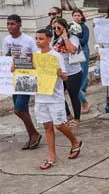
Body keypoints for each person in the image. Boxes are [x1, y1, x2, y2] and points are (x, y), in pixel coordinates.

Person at [31, 28, 82, 170]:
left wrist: (60, 73)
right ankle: (51, 156)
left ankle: (74, 142)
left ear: (48, 39)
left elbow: (65, 77)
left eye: (41, 39)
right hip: (40, 96)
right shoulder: (35, 55)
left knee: (59, 125)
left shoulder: (56, 56)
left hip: (55, 96)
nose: (38, 41)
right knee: (47, 126)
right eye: (36, 38)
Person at [3, 15, 40, 149]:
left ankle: (35, 133)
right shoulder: (7, 39)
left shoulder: (28, 40)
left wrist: (21, 61)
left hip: (26, 77)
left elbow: (36, 57)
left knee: (18, 110)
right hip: (13, 77)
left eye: (12, 24)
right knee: (23, 109)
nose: (9, 27)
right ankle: (32, 136)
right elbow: (6, 56)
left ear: (19, 25)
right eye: (8, 24)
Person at [51, 18, 83, 127]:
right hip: (60, 73)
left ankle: (77, 119)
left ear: (65, 28)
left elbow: (72, 50)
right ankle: (68, 115)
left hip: (73, 72)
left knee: (73, 95)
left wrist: (65, 37)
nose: (56, 29)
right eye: (54, 28)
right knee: (58, 94)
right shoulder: (54, 40)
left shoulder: (73, 38)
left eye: (58, 27)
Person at [71, 9, 92, 114]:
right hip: (73, 52)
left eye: (78, 15)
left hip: (83, 51)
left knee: (82, 73)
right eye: (74, 15)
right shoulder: (71, 27)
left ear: (82, 16)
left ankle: (82, 92)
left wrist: (73, 38)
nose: (76, 17)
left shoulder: (84, 27)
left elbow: (84, 40)